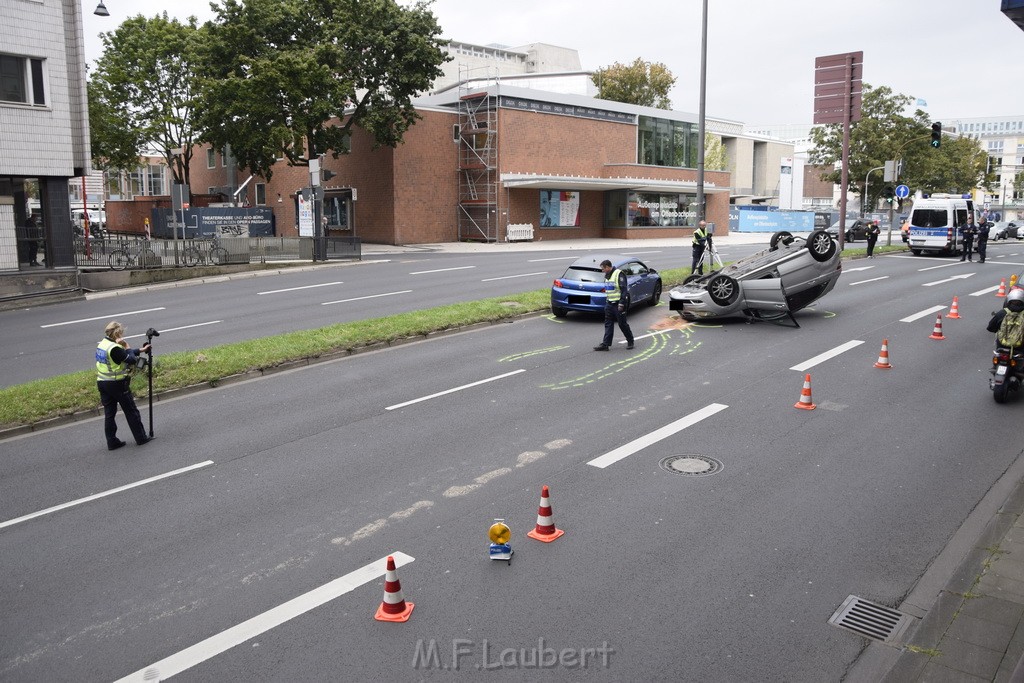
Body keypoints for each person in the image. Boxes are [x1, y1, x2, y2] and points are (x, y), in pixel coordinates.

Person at [96, 321, 153, 450]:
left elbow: (122, 356)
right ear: (117, 333)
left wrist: (140, 350)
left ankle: (112, 442)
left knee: (109, 414)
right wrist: (126, 345)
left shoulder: (104, 344)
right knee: (131, 411)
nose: (122, 335)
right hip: (117, 384)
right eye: (121, 332)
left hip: (102, 383)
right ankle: (141, 438)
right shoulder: (115, 348)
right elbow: (130, 359)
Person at [593, 259, 635, 351]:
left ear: (608, 267)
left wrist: (621, 303)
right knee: (608, 324)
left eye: (603, 269)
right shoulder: (607, 276)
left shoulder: (619, 274)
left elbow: (624, 290)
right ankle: (605, 344)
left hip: (618, 304)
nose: (602, 270)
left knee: (622, 324)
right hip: (609, 304)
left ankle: (630, 340)